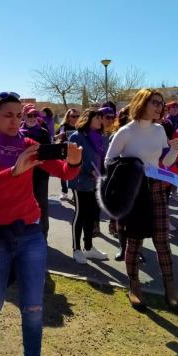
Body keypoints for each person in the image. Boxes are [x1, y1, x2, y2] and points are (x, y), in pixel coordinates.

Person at [0, 92, 81, 356]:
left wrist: (76, 161)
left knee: (33, 309)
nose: (15, 120)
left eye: (19, 115)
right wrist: (15, 171)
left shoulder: (30, 144)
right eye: (8, 115)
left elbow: (65, 173)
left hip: (30, 235)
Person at [105, 89, 178, 311]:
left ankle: (171, 288)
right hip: (134, 191)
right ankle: (134, 286)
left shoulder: (159, 130)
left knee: (162, 241)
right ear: (141, 103)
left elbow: (164, 163)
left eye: (161, 103)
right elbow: (109, 161)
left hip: (156, 188)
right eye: (154, 103)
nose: (159, 107)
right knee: (135, 240)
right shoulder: (126, 131)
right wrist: (129, 171)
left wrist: (174, 151)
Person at [68, 109, 108, 263]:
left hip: (95, 183)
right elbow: (72, 158)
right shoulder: (77, 136)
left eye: (101, 118)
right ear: (88, 119)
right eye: (97, 118)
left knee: (91, 215)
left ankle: (89, 247)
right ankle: (76, 249)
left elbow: (103, 159)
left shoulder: (101, 137)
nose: (100, 121)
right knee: (80, 214)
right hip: (80, 182)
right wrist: (89, 170)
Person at [20, 107, 52, 238]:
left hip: (41, 173)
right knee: (23, 204)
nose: (33, 118)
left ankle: (42, 234)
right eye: (29, 115)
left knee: (42, 204)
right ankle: (25, 234)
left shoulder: (43, 132)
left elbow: (48, 152)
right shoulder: (18, 132)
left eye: (35, 115)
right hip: (23, 173)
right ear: (23, 116)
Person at [56, 108, 79, 203]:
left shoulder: (80, 126)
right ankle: (64, 192)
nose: (76, 118)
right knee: (64, 171)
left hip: (76, 151)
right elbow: (59, 135)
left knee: (76, 171)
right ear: (68, 117)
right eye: (73, 116)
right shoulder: (64, 126)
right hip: (64, 150)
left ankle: (75, 193)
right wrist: (59, 136)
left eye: (77, 116)